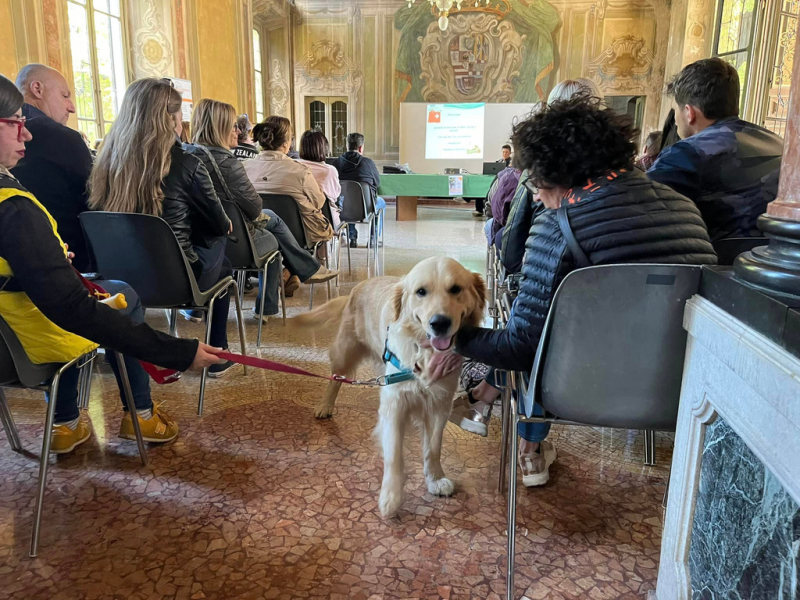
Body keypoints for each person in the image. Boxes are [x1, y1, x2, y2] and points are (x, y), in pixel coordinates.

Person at [444, 96, 716, 486]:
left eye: (536, 182)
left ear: (557, 173)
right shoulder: (687, 210)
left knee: (537, 337)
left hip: (576, 392)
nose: (535, 195)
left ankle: (495, 413)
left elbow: (519, 348)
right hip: (682, 397)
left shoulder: (558, 225)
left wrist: (450, 337)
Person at [0, 74, 224, 453]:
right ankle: (139, 413)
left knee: (107, 287)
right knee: (122, 299)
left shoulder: (104, 159)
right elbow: (70, 308)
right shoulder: (14, 209)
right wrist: (177, 352)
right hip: (27, 343)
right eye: (16, 123)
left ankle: (67, 422)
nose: (28, 135)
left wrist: (45, 260)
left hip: (12, 330)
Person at [88, 78, 237, 378]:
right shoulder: (187, 162)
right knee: (225, 259)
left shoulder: (105, 160)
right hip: (177, 280)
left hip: (117, 279)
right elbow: (220, 224)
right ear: (171, 118)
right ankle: (217, 353)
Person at [184, 99, 336, 319]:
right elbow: (255, 209)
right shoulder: (230, 164)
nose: (238, 130)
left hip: (194, 240)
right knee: (273, 242)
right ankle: (269, 305)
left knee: (272, 216)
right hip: (231, 239)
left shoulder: (186, 158)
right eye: (232, 125)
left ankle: (304, 269)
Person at [647, 57, 784, 241]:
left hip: (723, 264)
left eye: (675, 110)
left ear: (689, 113)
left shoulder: (686, 153)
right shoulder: (779, 143)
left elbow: (638, 215)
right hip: (782, 259)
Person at [11, 64, 93, 272]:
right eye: (65, 95)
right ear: (37, 89)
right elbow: (95, 201)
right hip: (71, 261)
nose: (72, 107)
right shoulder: (63, 138)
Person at [244, 116, 334, 248]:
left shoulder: (243, 168)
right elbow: (319, 202)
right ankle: (311, 267)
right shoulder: (300, 172)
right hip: (299, 237)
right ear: (286, 143)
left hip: (256, 235)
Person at [331, 132, 386, 248]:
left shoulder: (336, 163)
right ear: (361, 147)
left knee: (347, 199)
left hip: (343, 208)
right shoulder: (368, 163)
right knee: (381, 203)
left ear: (347, 146)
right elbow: (377, 183)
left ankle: (352, 238)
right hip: (366, 207)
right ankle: (373, 238)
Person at [297, 129, 342, 230]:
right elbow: (335, 195)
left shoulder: (294, 167)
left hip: (298, 224)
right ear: (323, 148)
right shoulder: (329, 171)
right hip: (325, 223)